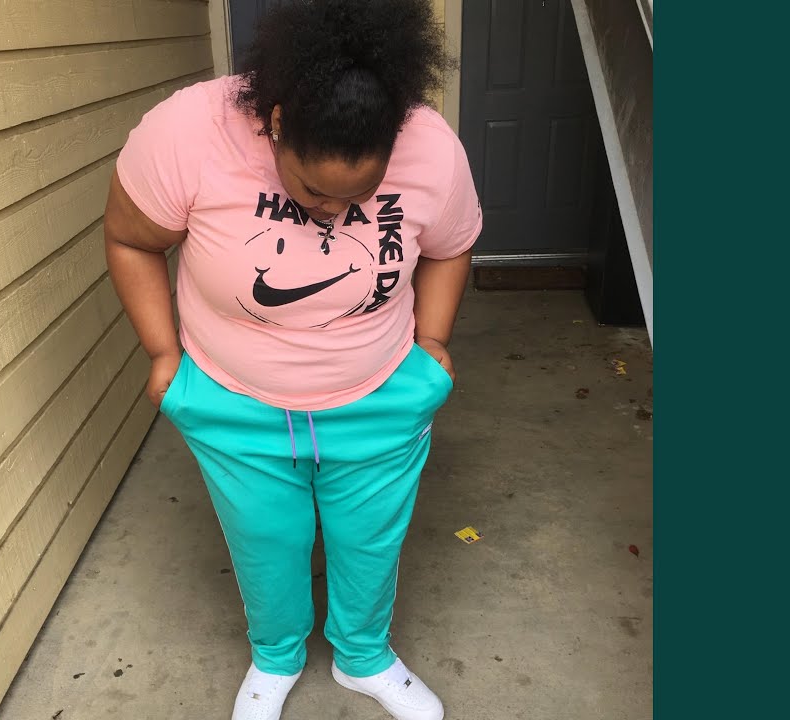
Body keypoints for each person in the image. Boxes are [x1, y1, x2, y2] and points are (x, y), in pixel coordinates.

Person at [105, 1, 481, 717]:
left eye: (360, 194)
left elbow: (451, 244)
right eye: (313, 190)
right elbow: (130, 238)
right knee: (265, 539)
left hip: (379, 395)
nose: (335, 211)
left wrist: (431, 345)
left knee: (369, 540)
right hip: (233, 401)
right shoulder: (189, 133)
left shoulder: (431, 147)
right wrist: (162, 353)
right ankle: (274, 657)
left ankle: (364, 657)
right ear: (276, 123)